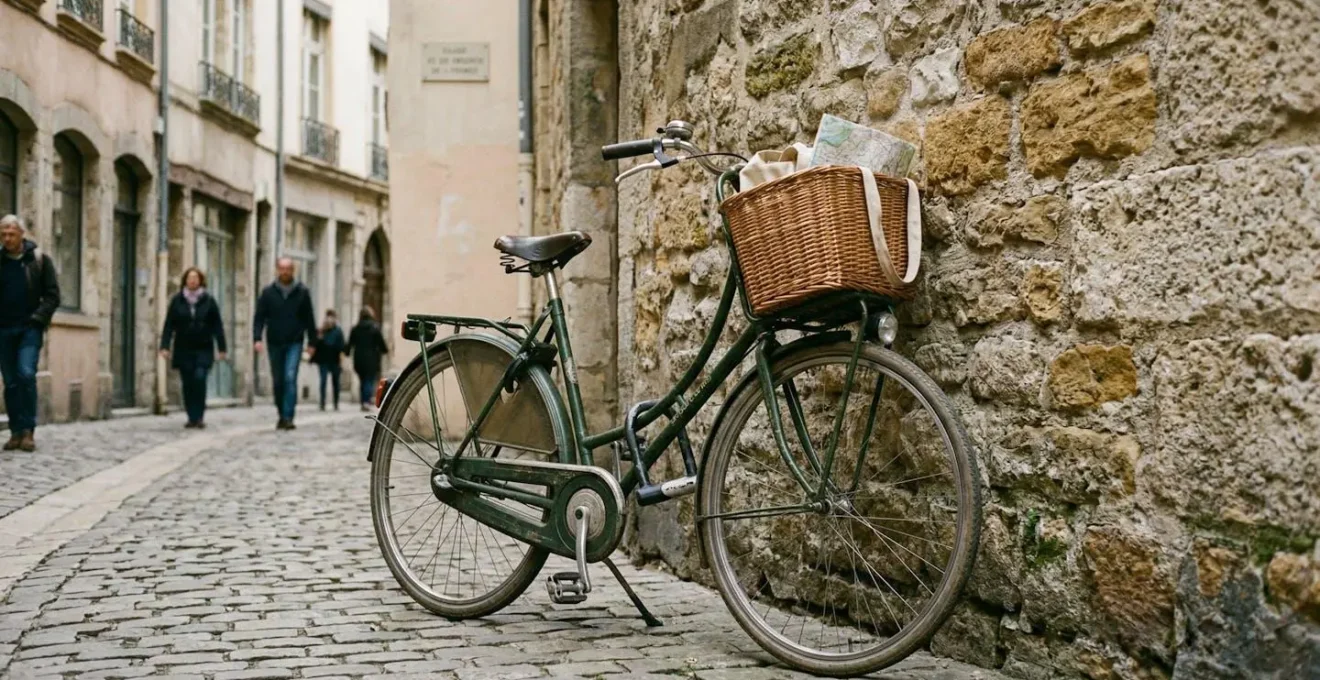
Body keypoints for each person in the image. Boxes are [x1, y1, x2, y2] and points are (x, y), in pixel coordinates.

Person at [0, 215, 59, 452]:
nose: (7, 238)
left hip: (29, 329)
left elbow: (53, 295)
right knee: (11, 382)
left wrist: (38, 320)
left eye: (11, 234)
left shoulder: (39, 259)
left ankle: (28, 431)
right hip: (3, 330)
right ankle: (15, 431)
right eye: (3, 234)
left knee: (25, 375)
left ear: (21, 234)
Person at [253, 257, 317, 430]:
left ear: (293, 270)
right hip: (274, 342)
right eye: (282, 268)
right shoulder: (268, 293)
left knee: (290, 377)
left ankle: (288, 416)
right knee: (278, 381)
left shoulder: (302, 292)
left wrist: (312, 342)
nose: (285, 272)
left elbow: (309, 318)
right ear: (277, 270)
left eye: (288, 268)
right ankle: (281, 413)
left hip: (294, 341)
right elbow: (259, 317)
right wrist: (257, 338)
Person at [159, 267, 227, 429]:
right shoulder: (177, 300)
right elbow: (169, 325)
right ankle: (191, 416)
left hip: (203, 347)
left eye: (195, 277)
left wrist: (222, 347)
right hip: (184, 348)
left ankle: (200, 416)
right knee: (188, 382)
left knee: (199, 378)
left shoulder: (209, 301)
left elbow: (217, 325)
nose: (193, 280)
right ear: (185, 281)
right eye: (190, 277)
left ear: (201, 280)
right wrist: (165, 346)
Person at [345, 306, 389, 412]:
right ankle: (366, 401)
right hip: (371, 358)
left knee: (362, 380)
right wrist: (385, 350)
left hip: (358, 358)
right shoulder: (375, 328)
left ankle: (363, 401)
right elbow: (381, 344)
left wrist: (346, 352)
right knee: (369, 380)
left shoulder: (355, 329)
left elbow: (349, 344)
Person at [312, 309, 346, 411]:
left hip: (333, 359)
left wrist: (341, 359)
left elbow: (341, 346)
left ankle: (335, 402)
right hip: (324, 359)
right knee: (324, 381)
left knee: (334, 382)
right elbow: (316, 344)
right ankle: (323, 402)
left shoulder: (337, 330)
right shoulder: (322, 329)